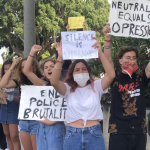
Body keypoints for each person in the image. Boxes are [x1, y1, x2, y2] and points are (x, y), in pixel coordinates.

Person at [50, 38, 115, 150]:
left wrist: (100, 52)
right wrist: (60, 59)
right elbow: (54, 81)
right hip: (72, 135)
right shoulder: (67, 89)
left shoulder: (97, 86)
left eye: (84, 69)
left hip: (94, 134)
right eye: (77, 70)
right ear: (72, 73)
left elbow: (111, 75)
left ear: (88, 71)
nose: (81, 72)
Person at [103, 23, 150, 150]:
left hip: (139, 131)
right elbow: (107, 61)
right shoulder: (114, 77)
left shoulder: (140, 77)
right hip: (118, 132)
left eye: (134, 58)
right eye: (128, 57)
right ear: (120, 61)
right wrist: (108, 39)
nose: (131, 60)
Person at [23, 45, 66, 150]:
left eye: (52, 66)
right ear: (44, 72)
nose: (49, 69)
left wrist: (53, 121)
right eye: (46, 68)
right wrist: (32, 52)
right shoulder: (43, 84)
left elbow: (66, 107)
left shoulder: (64, 85)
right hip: (41, 127)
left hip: (56, 127)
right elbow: (27, 71)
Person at [0, 57, 42, 150]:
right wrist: (12, 67)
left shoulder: (40, 79)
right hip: (24, 119)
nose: (25, 68)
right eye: (22, 67)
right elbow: (2, 84)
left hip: (36, 119)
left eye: (27, 66)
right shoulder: (19, 81)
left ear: (34, 66)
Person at [0, 60, 21, 150]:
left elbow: (21, 99)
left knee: (14, 136)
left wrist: (9, 97)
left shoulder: (17, 80)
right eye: (6, 69)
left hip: (14, 109)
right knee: (7, 135)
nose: (8, 70)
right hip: (3, 109)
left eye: (10, 68)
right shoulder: (2, 80)